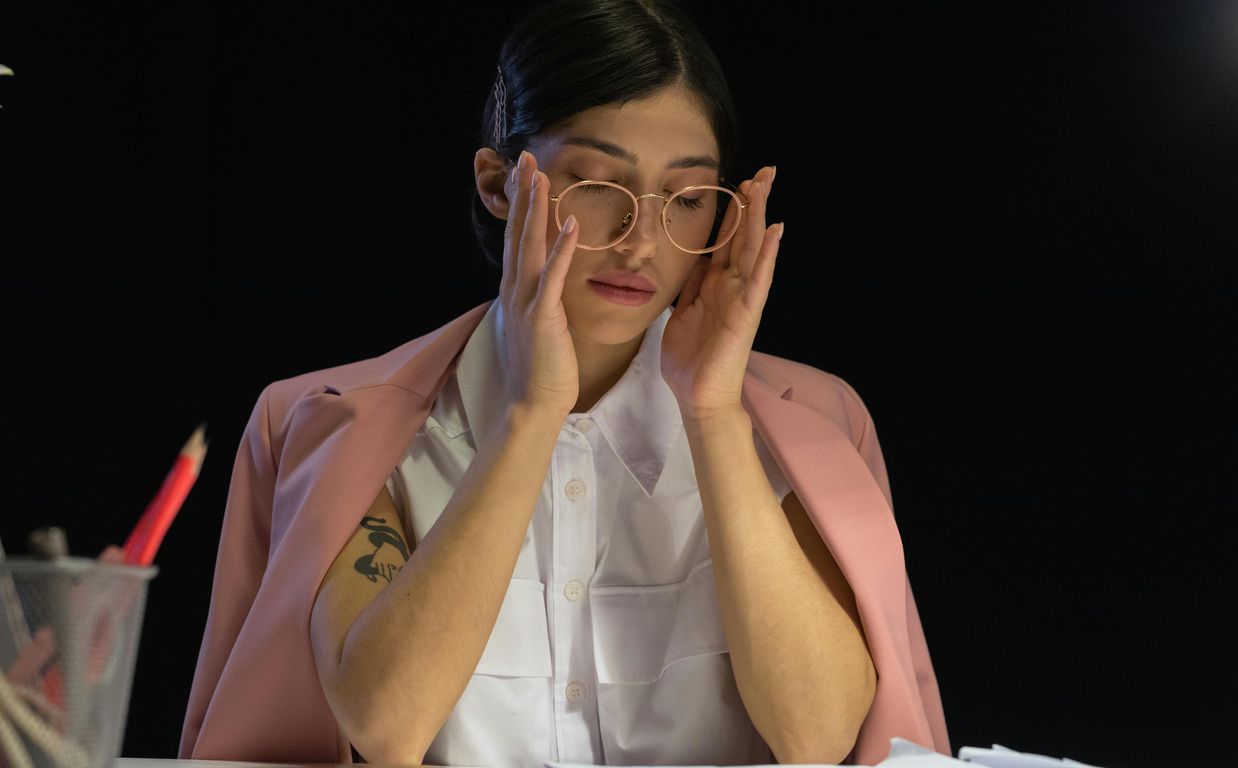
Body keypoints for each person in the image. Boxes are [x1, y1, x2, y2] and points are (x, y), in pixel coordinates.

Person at [179, 1, 951, 765]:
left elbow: (819, 737)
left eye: (687, 199)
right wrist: (532, 413)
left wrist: (713, 414)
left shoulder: (815, 428)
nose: (641, 242)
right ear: (497, 184)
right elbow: (386, 724)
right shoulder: (330, 425)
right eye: (596, 184)